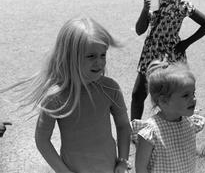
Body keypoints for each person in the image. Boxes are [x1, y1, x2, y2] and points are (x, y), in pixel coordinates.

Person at [1, 17, 131, 173]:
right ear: (70, 57)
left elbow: (123, 125)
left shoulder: (110, 88)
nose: (100, 62)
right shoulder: (56, 97)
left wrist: (123, 161)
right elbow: (42, 140)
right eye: (91, 56)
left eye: (103, 55)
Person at [131, 0, 205, 120]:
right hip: (150, 54)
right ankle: (134, 132)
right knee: (137, 94)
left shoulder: (182, 6)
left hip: (171, 55)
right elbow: (139, 30)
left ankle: (175, 127)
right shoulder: (153, 4)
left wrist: (186, 43)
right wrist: (145, 10)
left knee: (172, 95)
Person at [131, 60, 205, 173]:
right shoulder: (151, 132)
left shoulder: (189, 122)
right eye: (186, 95)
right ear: (164, 101)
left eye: (193, 93)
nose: (193, 99)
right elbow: (141, 168)